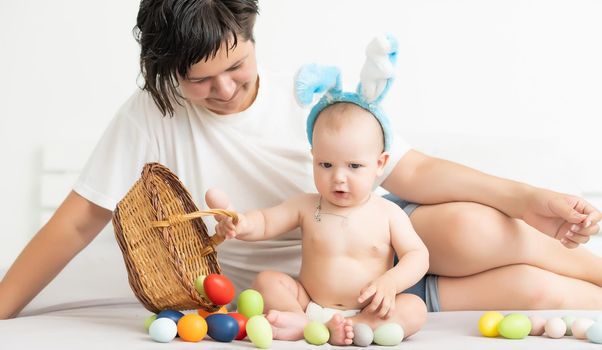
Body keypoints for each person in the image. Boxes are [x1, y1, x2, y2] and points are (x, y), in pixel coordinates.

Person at [1, 0, 601, 321]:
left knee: (476, 226)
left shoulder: (306, 97)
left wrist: (527, 198)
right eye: (200, 80)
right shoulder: (148, 115)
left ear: (251, 31)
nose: (226, 91)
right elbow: (80, 219)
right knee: (535, 293)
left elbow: (410, 170)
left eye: (236, 67)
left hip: (378, 244)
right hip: (308, 288)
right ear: (167, 77)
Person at [211, 44, 429, 345]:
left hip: (368, 307)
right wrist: (242, 224)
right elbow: (265, 221)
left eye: (354, 166)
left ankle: (355, 325)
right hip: (309, 303)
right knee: (266, 282)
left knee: (415, 308)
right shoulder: (307, 205)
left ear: (379, 164)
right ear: (313, 157)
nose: (339, 178)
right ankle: (302, 322)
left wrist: (391, 282)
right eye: (325, 164)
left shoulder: (386, 214)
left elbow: (418, 256)